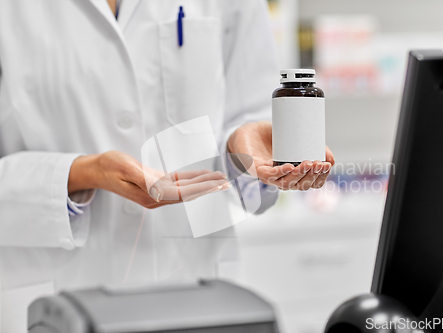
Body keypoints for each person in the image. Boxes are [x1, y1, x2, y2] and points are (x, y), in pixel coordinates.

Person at [0, 0, 335, 331]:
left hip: (194, 288)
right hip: (55, 297)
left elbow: (249, 113)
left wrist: (242, 154)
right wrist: (83, 173)